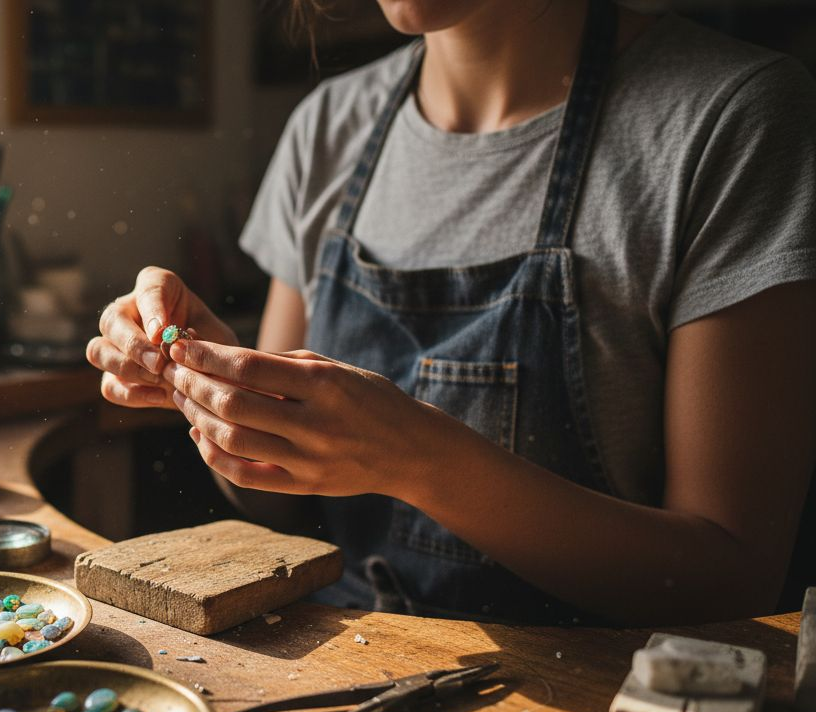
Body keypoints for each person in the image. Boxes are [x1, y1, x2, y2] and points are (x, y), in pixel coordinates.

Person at [85, 0, 816, 626]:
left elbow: (732, 579)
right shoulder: (327, 129)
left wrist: (421, 460)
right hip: (341, 676)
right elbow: (277, 500)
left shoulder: (731, 120)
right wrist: (208, 387)